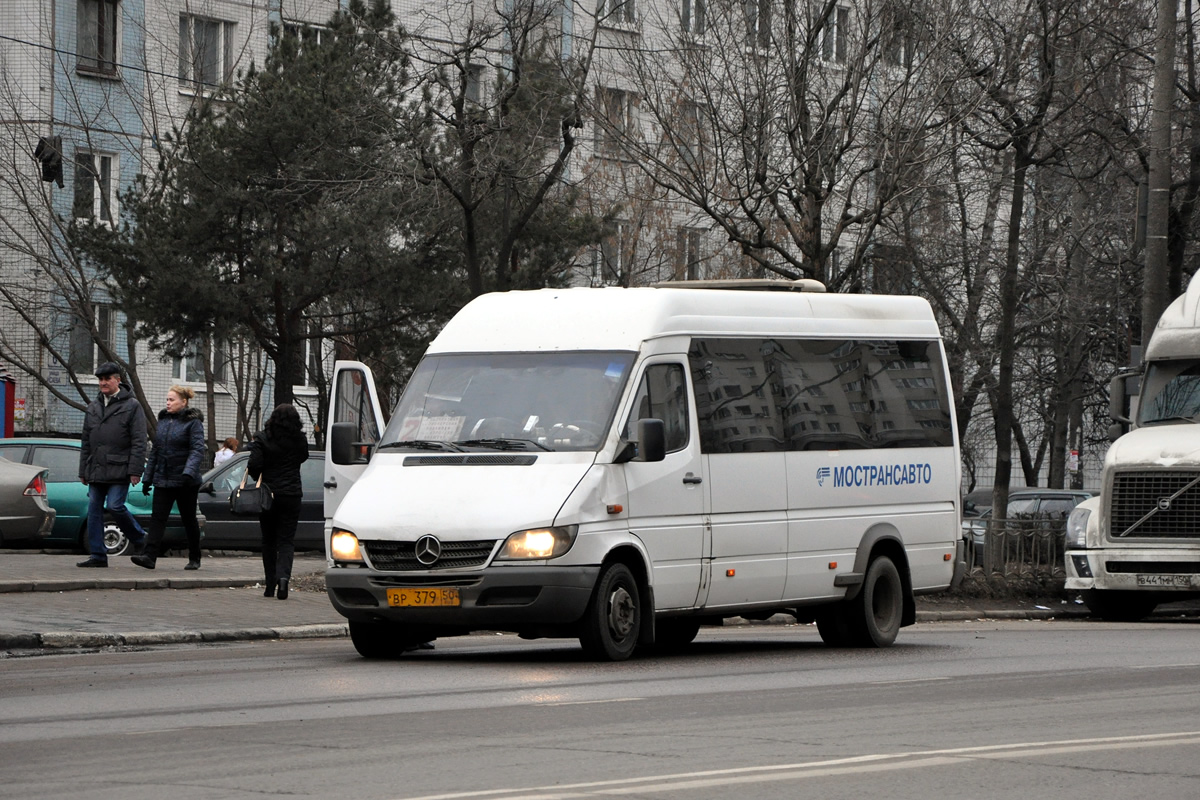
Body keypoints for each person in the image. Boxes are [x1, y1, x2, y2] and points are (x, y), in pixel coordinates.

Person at [77, 361, 148, 567]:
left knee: (115, 506)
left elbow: (139, 441)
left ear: (118, 380)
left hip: (120, 467)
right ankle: (98, 555)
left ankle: (140, 538)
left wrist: (135, 470)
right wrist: (83, 470)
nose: (103, 383)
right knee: (94, 510)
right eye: (100, 379)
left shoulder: (132, 406)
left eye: (107, 379)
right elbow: (86, 441)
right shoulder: (93, 407)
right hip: (96, 468)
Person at [132, 386, 206, 570]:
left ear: (184, 402)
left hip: (185, 481)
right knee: (157, 518)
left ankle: (195, 557)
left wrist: (188, 472)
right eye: (167, 399)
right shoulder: (164, 421)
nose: (168, 403)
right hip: (164, 479)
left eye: (172, 400)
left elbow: (197, 450)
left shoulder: (193, 423)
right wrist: (147, 478)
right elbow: (156, 451)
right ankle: (149, 557)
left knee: (188, 519)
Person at [248, 403, 309, 599]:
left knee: (268, 541)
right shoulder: (299, 439)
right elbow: (303, 457)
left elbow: (254, 466)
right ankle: (283, 580)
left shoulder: (263, 438)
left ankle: (269, 585)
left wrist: (265, 471)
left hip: (268, 496)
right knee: (286, 540)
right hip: (292, 495)